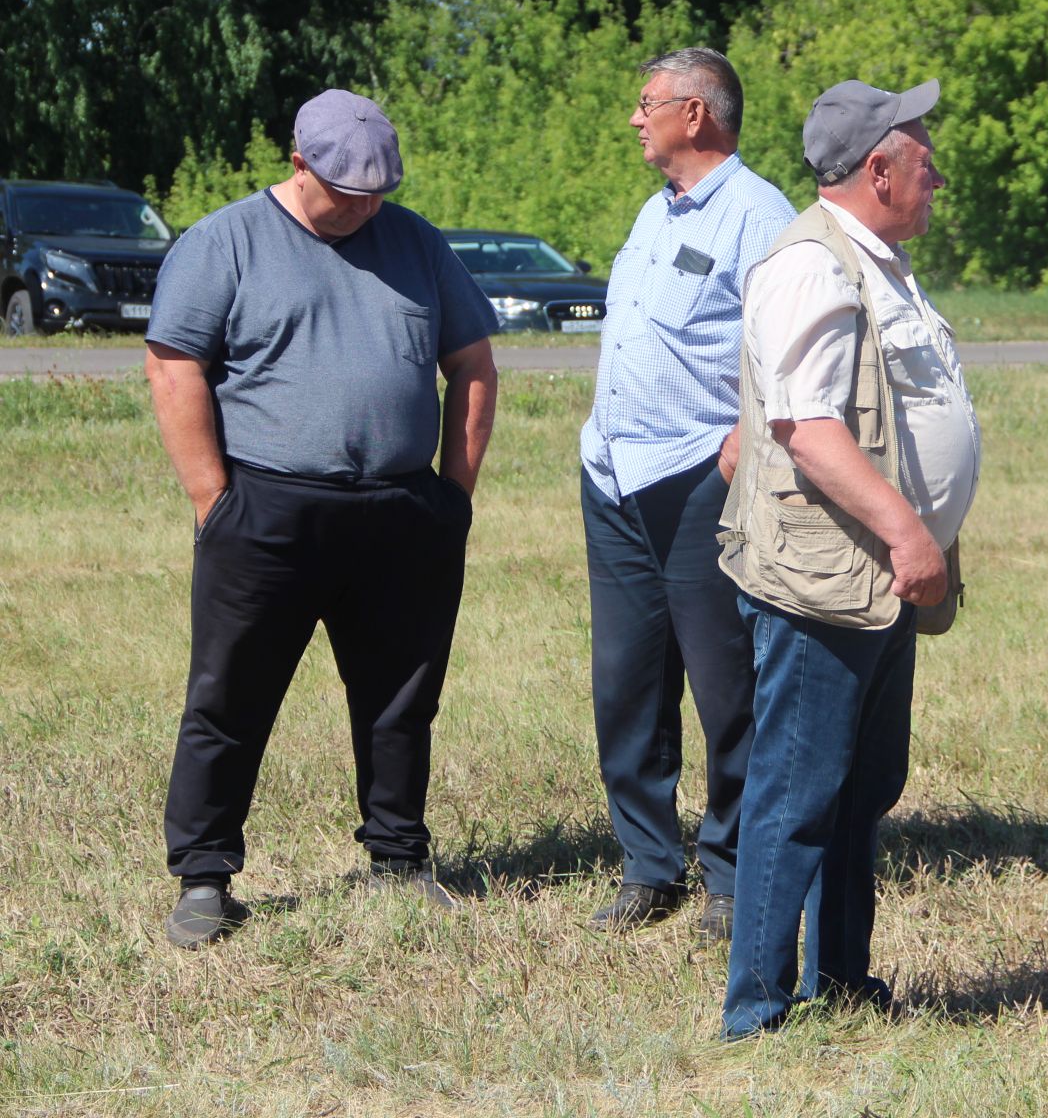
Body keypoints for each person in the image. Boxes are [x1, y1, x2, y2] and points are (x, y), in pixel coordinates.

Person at [145, 88, 500, 949]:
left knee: (400, 696)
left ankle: (399, 859)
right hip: (267, 508)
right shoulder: (224, 242)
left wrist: (453, 494)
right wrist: (214, 500)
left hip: (402, 510)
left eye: (379, 191)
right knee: (231, 693)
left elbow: (474, 365)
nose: (365, 207)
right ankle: (203, 876)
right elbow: (173, 368)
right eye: (348, 191)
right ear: (300, 164)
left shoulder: (415, 242)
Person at [715, 78, 980, 1039]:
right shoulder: (809, 266)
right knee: (795, 792)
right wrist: (912, 532)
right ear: (877, 169)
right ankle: (757, 1010)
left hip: (879, 576)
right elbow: (809, 431)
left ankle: (843, 979)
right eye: (923, 160)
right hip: (829, 577)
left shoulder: (880, 260)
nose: (936, 176)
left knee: (861, 788)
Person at [579, 47, 796, 939]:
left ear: (695, 113)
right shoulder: (654, 211)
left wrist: (742, 443)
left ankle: (733, 876)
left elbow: (789, 346)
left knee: (726, 685)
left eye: (646, 103)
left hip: (700, 479)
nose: (636, 118)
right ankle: (647, 865)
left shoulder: (758, 215)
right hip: (616, 476)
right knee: (625, 683)